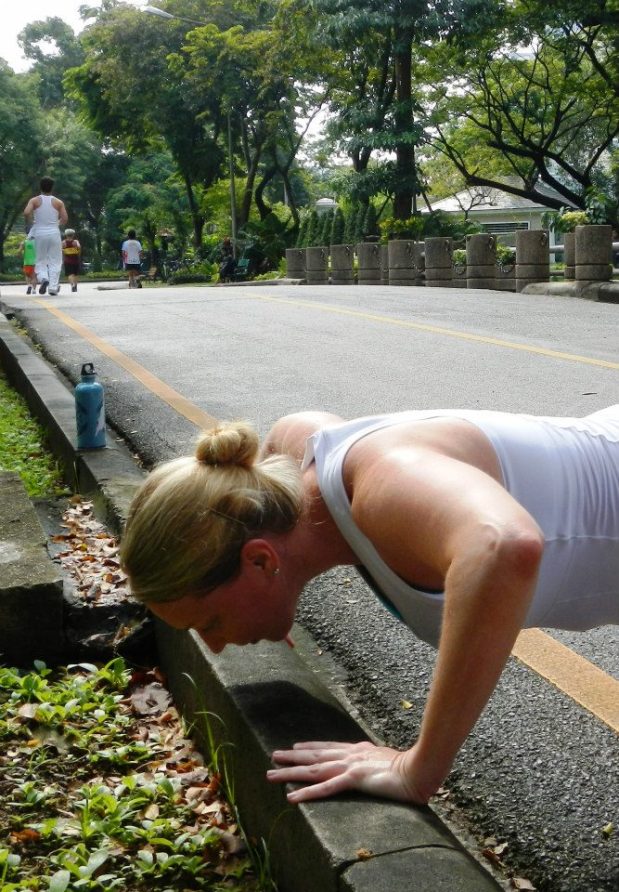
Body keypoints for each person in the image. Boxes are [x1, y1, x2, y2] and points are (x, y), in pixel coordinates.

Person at [120, 406, 619, 806]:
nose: (216, 644)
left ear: (259, 560)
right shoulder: (301, 464)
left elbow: (506, 547)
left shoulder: (380, 483)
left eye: (210, 622)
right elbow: (292, 426)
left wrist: (417, 769)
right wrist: (274, 597)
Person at [23, 176, 69, 296]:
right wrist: (56, 224)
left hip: (39, 233)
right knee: (55, 260)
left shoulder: (34, 200)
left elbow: (26, 212)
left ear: (41, 187)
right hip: (54, 233)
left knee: (40, 259)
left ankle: (44, 278)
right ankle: (53, 288)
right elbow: (64, 219)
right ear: (52, 187)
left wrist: (32, 221)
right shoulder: (58, 202)